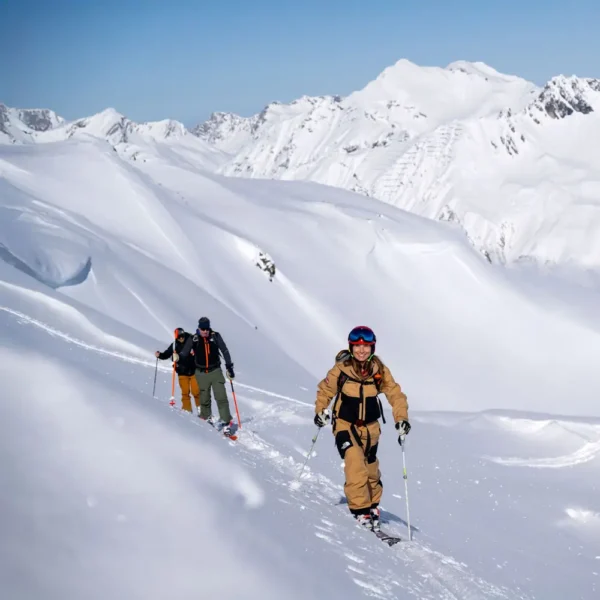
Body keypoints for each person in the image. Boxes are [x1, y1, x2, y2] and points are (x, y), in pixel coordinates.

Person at [314, 325, 411, 532]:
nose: (361, 351)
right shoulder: (341, 370)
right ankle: (360, 510)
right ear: (350, 347)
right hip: (344, 425)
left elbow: (395, 394)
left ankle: (373, 505)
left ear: (372, 348)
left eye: (366, 346)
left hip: (370, 428)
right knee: (354, 463)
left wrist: (401, 418)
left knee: (371, 469)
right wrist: (321, 410)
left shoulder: (378, 370)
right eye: (357, 346)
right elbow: (325, 391)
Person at [192, 317, 236, 436]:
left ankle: (226, 423)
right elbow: (185, 352)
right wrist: (176, 357)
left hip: (215, 371)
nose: (205, 331)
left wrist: (229, 367)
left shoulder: (215, 336)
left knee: (221, 397)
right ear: (199, 328)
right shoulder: (194, 339)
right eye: (203, 329)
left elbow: (225, 350)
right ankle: (206, 418)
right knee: (204, 398)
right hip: (201, 373)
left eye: (207, 328)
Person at [156, 327, 200, 413]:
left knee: (196, 392)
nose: (181, 338)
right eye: (179, 337)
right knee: (185, 393)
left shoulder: (191, 341)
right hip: (182, 372)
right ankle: (187, 411)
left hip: (194, 371)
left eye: (182, 336)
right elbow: (166, 354)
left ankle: (202, 410)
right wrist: (159, 355)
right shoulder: (174, 345)